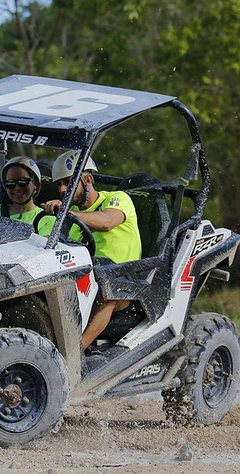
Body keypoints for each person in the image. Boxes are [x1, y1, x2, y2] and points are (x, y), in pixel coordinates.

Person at [41, 150, 142, 350]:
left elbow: (106, 222)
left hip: (124, 283)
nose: (62, 190)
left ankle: (72, 357)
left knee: (106, 288)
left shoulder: (116, 199)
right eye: (59, 184)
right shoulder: (73, 215)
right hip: (87, 281)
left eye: (68, 183)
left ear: (87, 179)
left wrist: (65, 212)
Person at [0, 156, 55, 236]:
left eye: (23, 182)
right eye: (10, 183)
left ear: (35, 184)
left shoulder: (46, 218)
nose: (17, 188)